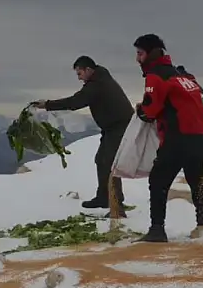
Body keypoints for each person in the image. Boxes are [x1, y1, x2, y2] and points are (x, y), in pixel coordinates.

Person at [31, 56, 134, 216]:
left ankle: (117, 207)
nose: (79, 77)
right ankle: (103, 198)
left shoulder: (96, 85)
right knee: (101, 160)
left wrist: (47, 105)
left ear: (88, 70)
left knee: (109, 164)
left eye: (79, 73)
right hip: (114, 127)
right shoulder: (100, 78)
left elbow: (75, 102)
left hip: (119, 127)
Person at [132, 34, 203, 242]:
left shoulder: (156, 76)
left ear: (151, 54)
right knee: (196, 179)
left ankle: (157, 229)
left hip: (178, 136)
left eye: (140, 54)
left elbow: (151, 110)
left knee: (158, 180)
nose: (137, 59)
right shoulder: (183, 76)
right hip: (199, 135)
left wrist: (141, 111)